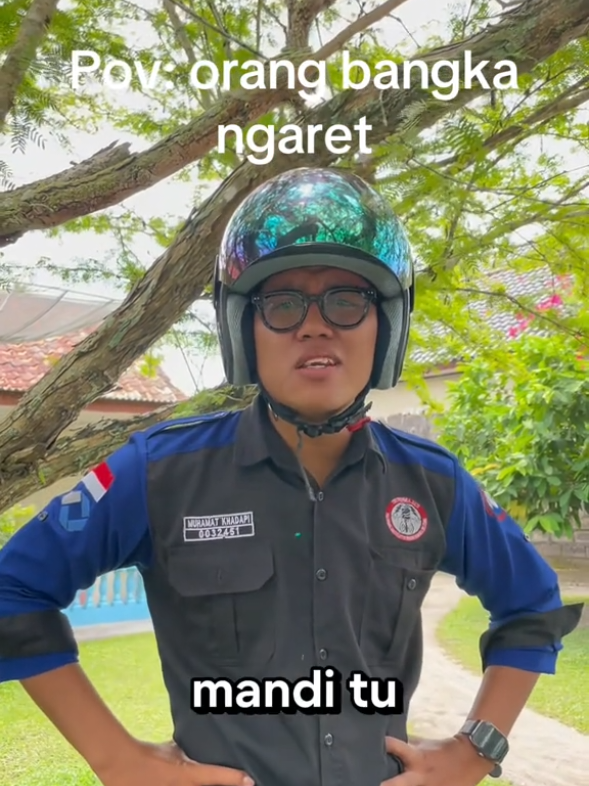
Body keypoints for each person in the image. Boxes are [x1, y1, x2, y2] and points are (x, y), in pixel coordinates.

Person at [0, 167, 582, 786]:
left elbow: (531, 607)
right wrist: (117, 758)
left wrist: (475, 751)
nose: (315, 325)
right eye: (282, 305)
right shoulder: (159, 473)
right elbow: (14, 590)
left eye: (347, 301)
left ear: (385, 326)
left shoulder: (432, 483)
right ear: (242, 330)